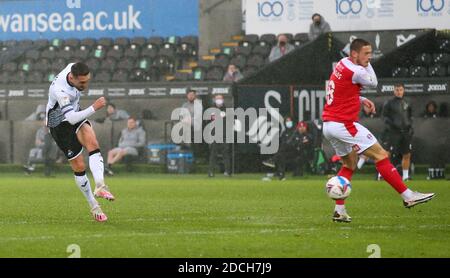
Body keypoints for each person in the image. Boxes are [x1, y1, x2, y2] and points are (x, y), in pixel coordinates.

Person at [322, 38, 434, 223]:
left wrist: (360, 99)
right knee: (381, 155)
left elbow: (341, 91)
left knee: (349, 165)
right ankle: (408, 196)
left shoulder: (343, 64)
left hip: (329, 125)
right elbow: (373, 82)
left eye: (370, 53)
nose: (370, 57)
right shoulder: (357, 70)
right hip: (344, 124)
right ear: (354, 54)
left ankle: (339, 211)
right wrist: (368, 65)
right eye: (366, 53)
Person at [46, 62, 114, 223]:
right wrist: (94, 107)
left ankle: (100, 186)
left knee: (93, 143)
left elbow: (74, 116)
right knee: (79, 166)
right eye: (82, 83)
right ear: (71, 77)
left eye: (87, 81)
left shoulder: (73, 67)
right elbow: (69, 119)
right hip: (60, 126)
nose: (85, 85)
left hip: (75, 114)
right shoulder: (60, 91)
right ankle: (94, 205)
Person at [382, 83, 413, 181]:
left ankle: (405, 176)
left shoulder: (407, 102)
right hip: (394, 132)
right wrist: (392, 124)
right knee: (387, 154)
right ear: (394, 91)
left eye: (400, 90)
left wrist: (410, 126)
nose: (399, 92)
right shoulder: (389, 103)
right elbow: (384, 117)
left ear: (403, 91)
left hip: (405, 132)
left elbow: (410, 116)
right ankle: (381, 175)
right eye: (397, 90)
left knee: (407, 154)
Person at [207, 94, 231, 177]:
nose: (219, 100)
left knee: (225, 154)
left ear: (223, 100)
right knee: (213, 154)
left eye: (220, 99)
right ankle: (211, 172)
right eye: (217, 99)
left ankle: (228, 171)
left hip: (224, 135)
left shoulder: (227, 110)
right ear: (214, 100)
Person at [180, 89, 204, 161]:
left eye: (192, 95)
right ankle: (184, 154)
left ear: (195, 96)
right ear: (187, 96)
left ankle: (196, 158)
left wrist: (189, 120)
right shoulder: (184, 105)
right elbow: (181, 116)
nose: (191, 96)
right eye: (189, 95)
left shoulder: (199, 104)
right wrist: (185, 120)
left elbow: (198, 117)